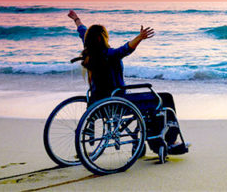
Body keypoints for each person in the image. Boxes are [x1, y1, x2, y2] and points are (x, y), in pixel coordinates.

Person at [67, 10, 182, 151]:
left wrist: (76, 19)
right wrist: (139, 37)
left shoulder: (90, 53)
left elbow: (82, 31)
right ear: (101, 39)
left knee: (153, 102)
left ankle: (151, 143)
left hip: (97, 103)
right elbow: (126, 49)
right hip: (118, 102)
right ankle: (170, 142)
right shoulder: (109, 55)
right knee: (164, 99)